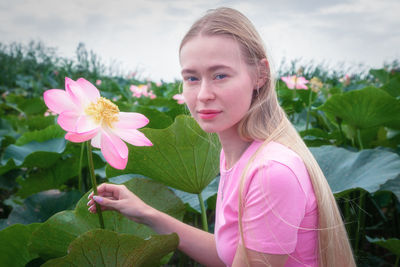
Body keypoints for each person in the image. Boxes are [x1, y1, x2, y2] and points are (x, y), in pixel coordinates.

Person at [88, 7, 356, 267]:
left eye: (219, 75)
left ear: (260, 74)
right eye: (192, 78)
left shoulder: (271, 172)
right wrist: (147, 213)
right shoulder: (239, 156)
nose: (203, 94)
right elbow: (227, 256)